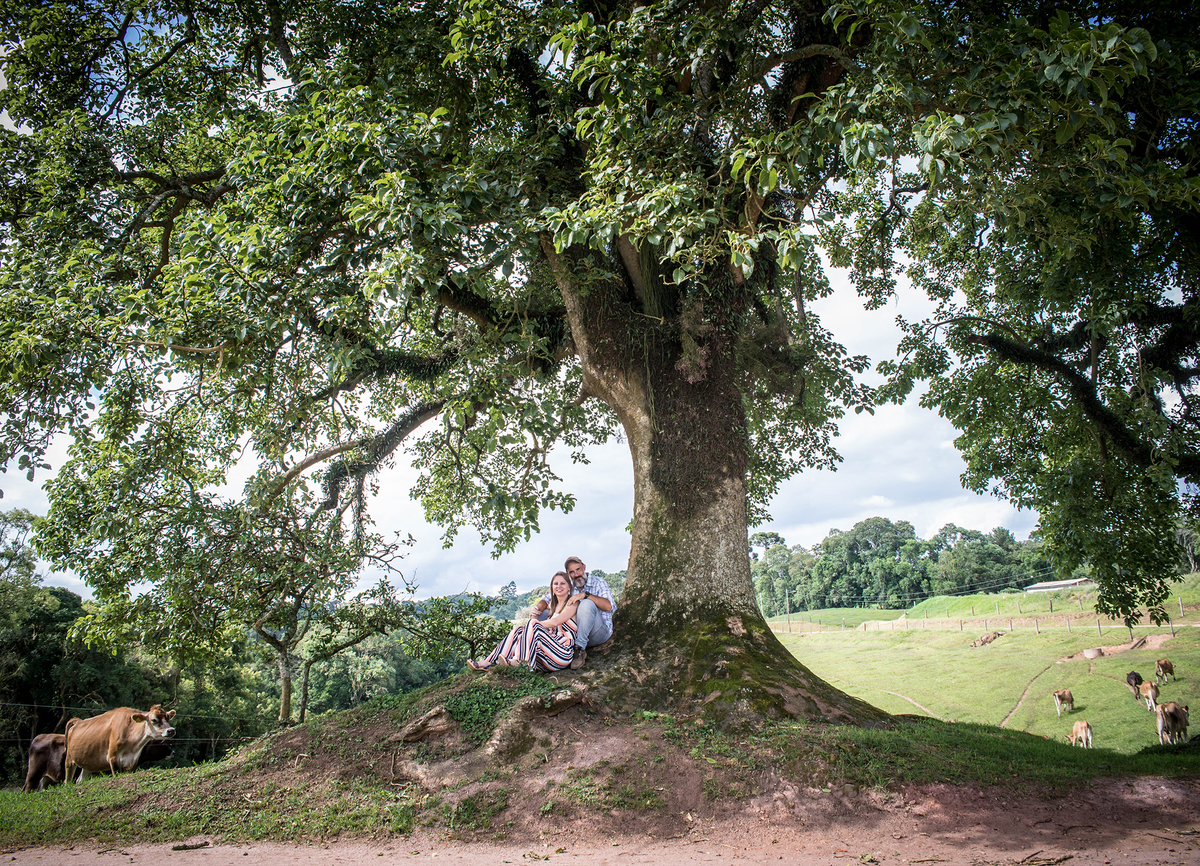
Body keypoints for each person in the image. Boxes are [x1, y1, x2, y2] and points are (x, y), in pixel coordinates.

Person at [468, 572, 579, 672]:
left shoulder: (573, 603)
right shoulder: (552, 606)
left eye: (562, 583)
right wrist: (533, 611)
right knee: (518, 630)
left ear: (569, 586)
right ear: (552, 587)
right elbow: (542, 605)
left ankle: (522, 662)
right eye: (555, 584)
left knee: (533, 624)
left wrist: (532, 626)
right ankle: (489, 662)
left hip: (562, 653)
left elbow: (555, 622)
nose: (559, 586)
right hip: (546, 656)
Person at [532, 556, 615, 670]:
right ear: (568, 574)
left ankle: (579, 649)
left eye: (578, 569)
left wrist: (585, 595)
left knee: (586, 603)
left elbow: (608, 606)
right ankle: (539, 647)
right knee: (543, 612)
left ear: (584, 567)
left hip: (598, 632)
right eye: (571, 572)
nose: (576, 574)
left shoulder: (598, 583)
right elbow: (546, 600)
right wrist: (536, 610)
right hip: (573, 634)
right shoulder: (567, 585)